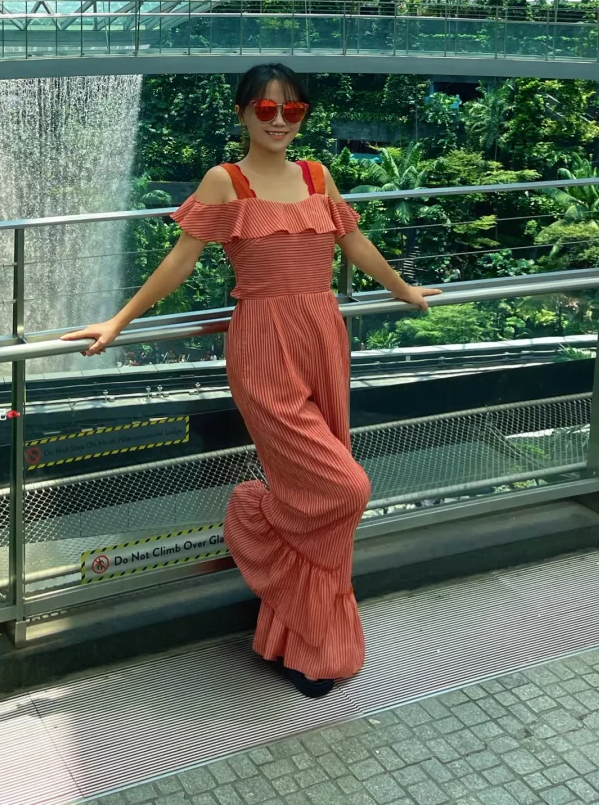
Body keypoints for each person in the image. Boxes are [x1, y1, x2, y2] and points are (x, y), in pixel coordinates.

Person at [61, 63, 440, 698]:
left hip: (324, 338)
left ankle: (307, 643)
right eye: (266, 109)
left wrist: (405, 291)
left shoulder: (317, 175)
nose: (279, 121)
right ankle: (255, 514)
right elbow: (180, 261)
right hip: (263, 346)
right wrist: (119, 321)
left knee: (320, 495)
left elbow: (354, 243)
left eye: (293, 110)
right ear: (242, 113)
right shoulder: (225, 181)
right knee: (343, 486)